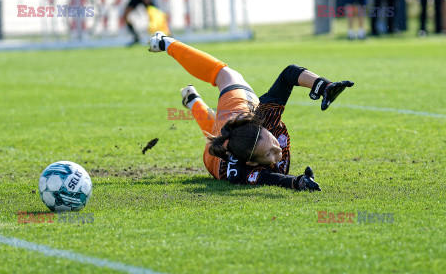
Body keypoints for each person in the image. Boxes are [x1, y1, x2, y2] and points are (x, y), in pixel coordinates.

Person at [147, 32, 354, 191]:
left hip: (221, 143)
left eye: (272, 142)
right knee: (220, 103)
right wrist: (298, 182)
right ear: (252, 162)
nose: (277, 151)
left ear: (261, 126)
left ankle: (172, 58)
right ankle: (187, 90)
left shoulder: (261, 120)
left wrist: (323, 86)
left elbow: (289, 73)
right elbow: (274, 179)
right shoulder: (250, 170)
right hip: (225, 137)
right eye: (269, 153)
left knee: (223, 92)